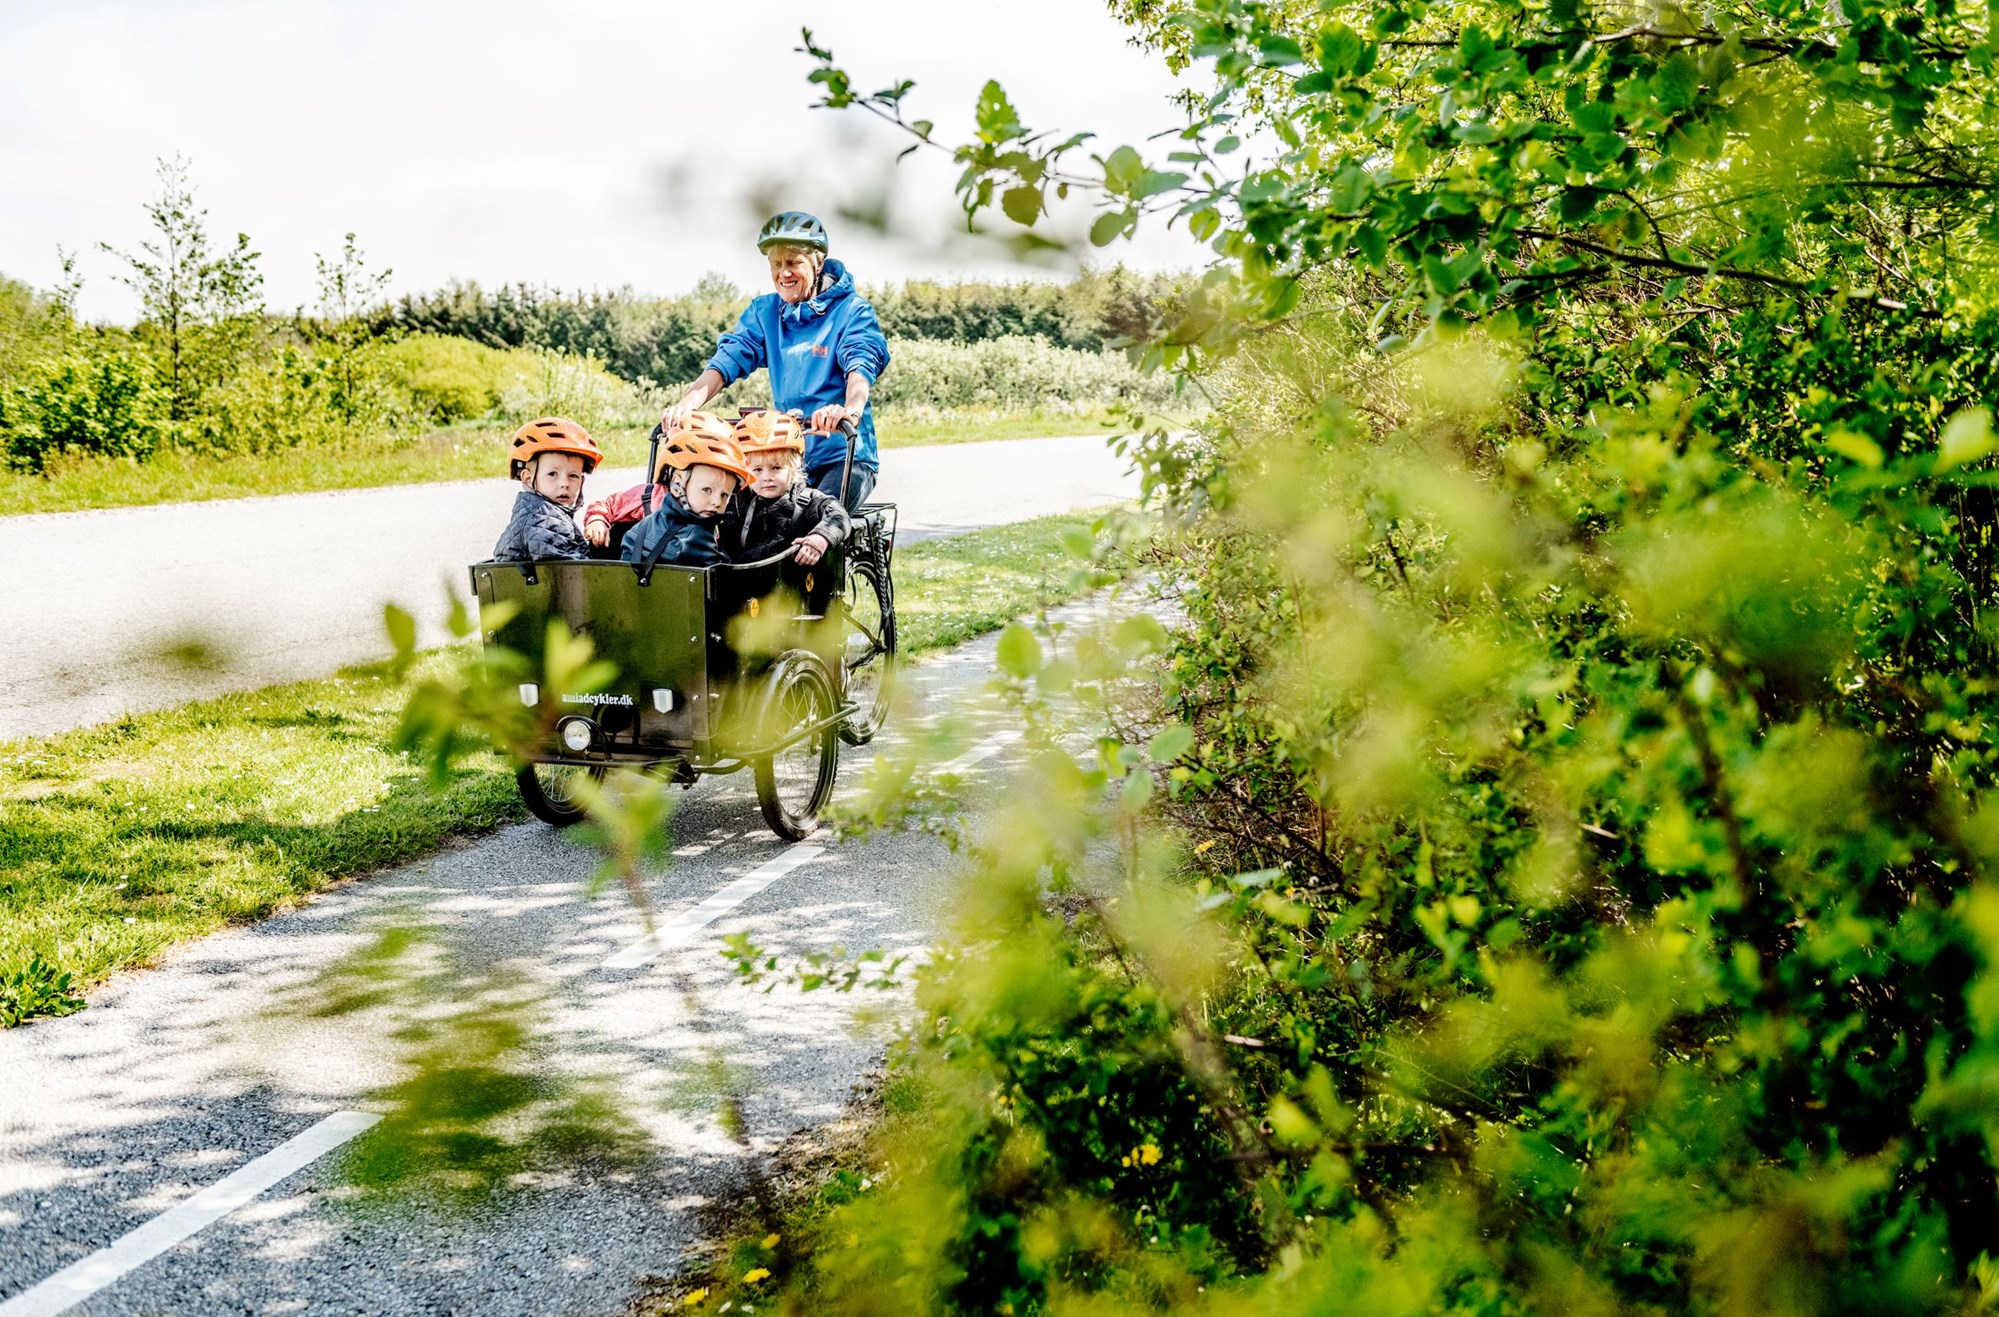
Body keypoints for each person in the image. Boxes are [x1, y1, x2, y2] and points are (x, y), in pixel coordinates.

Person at [659, 211, 889, 510]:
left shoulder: (852, 311)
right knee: (731, 514)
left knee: (813, 521)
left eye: (793, 262)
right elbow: (728, 358)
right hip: (784, 457)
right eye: (776, 264)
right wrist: (687, 404)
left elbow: (861, 361)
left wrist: (848, 412)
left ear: (818, 263)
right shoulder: (765, 312)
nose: (784, 273)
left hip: (843, 457)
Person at [581, 412, 734, 556]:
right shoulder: (650, 496)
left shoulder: (723, 506)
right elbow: (608, 505)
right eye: (706, 488)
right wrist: (597, 520)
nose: (717, 499)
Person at [721, 409, 850, 567]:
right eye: (757, 470)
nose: (767, 477)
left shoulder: (808, 500)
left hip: (789, 577)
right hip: (743, 572)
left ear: (794, 467)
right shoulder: (738, 500)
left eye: (776, 468)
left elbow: (839, 516)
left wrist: (819, 538)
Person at [619, 424, 753, 568]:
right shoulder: (696, 538)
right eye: (707, 490)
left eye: (724, 495)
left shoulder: (644, 525)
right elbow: (721, 576)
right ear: (677, 485)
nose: (716, 502)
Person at [493, 417, 598, 563]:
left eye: (573, 475)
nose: (565, 483)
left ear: (582, 481)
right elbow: (572, 574)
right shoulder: (544, 522)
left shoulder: (537, 514)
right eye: (552, 474)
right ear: (528, 479)